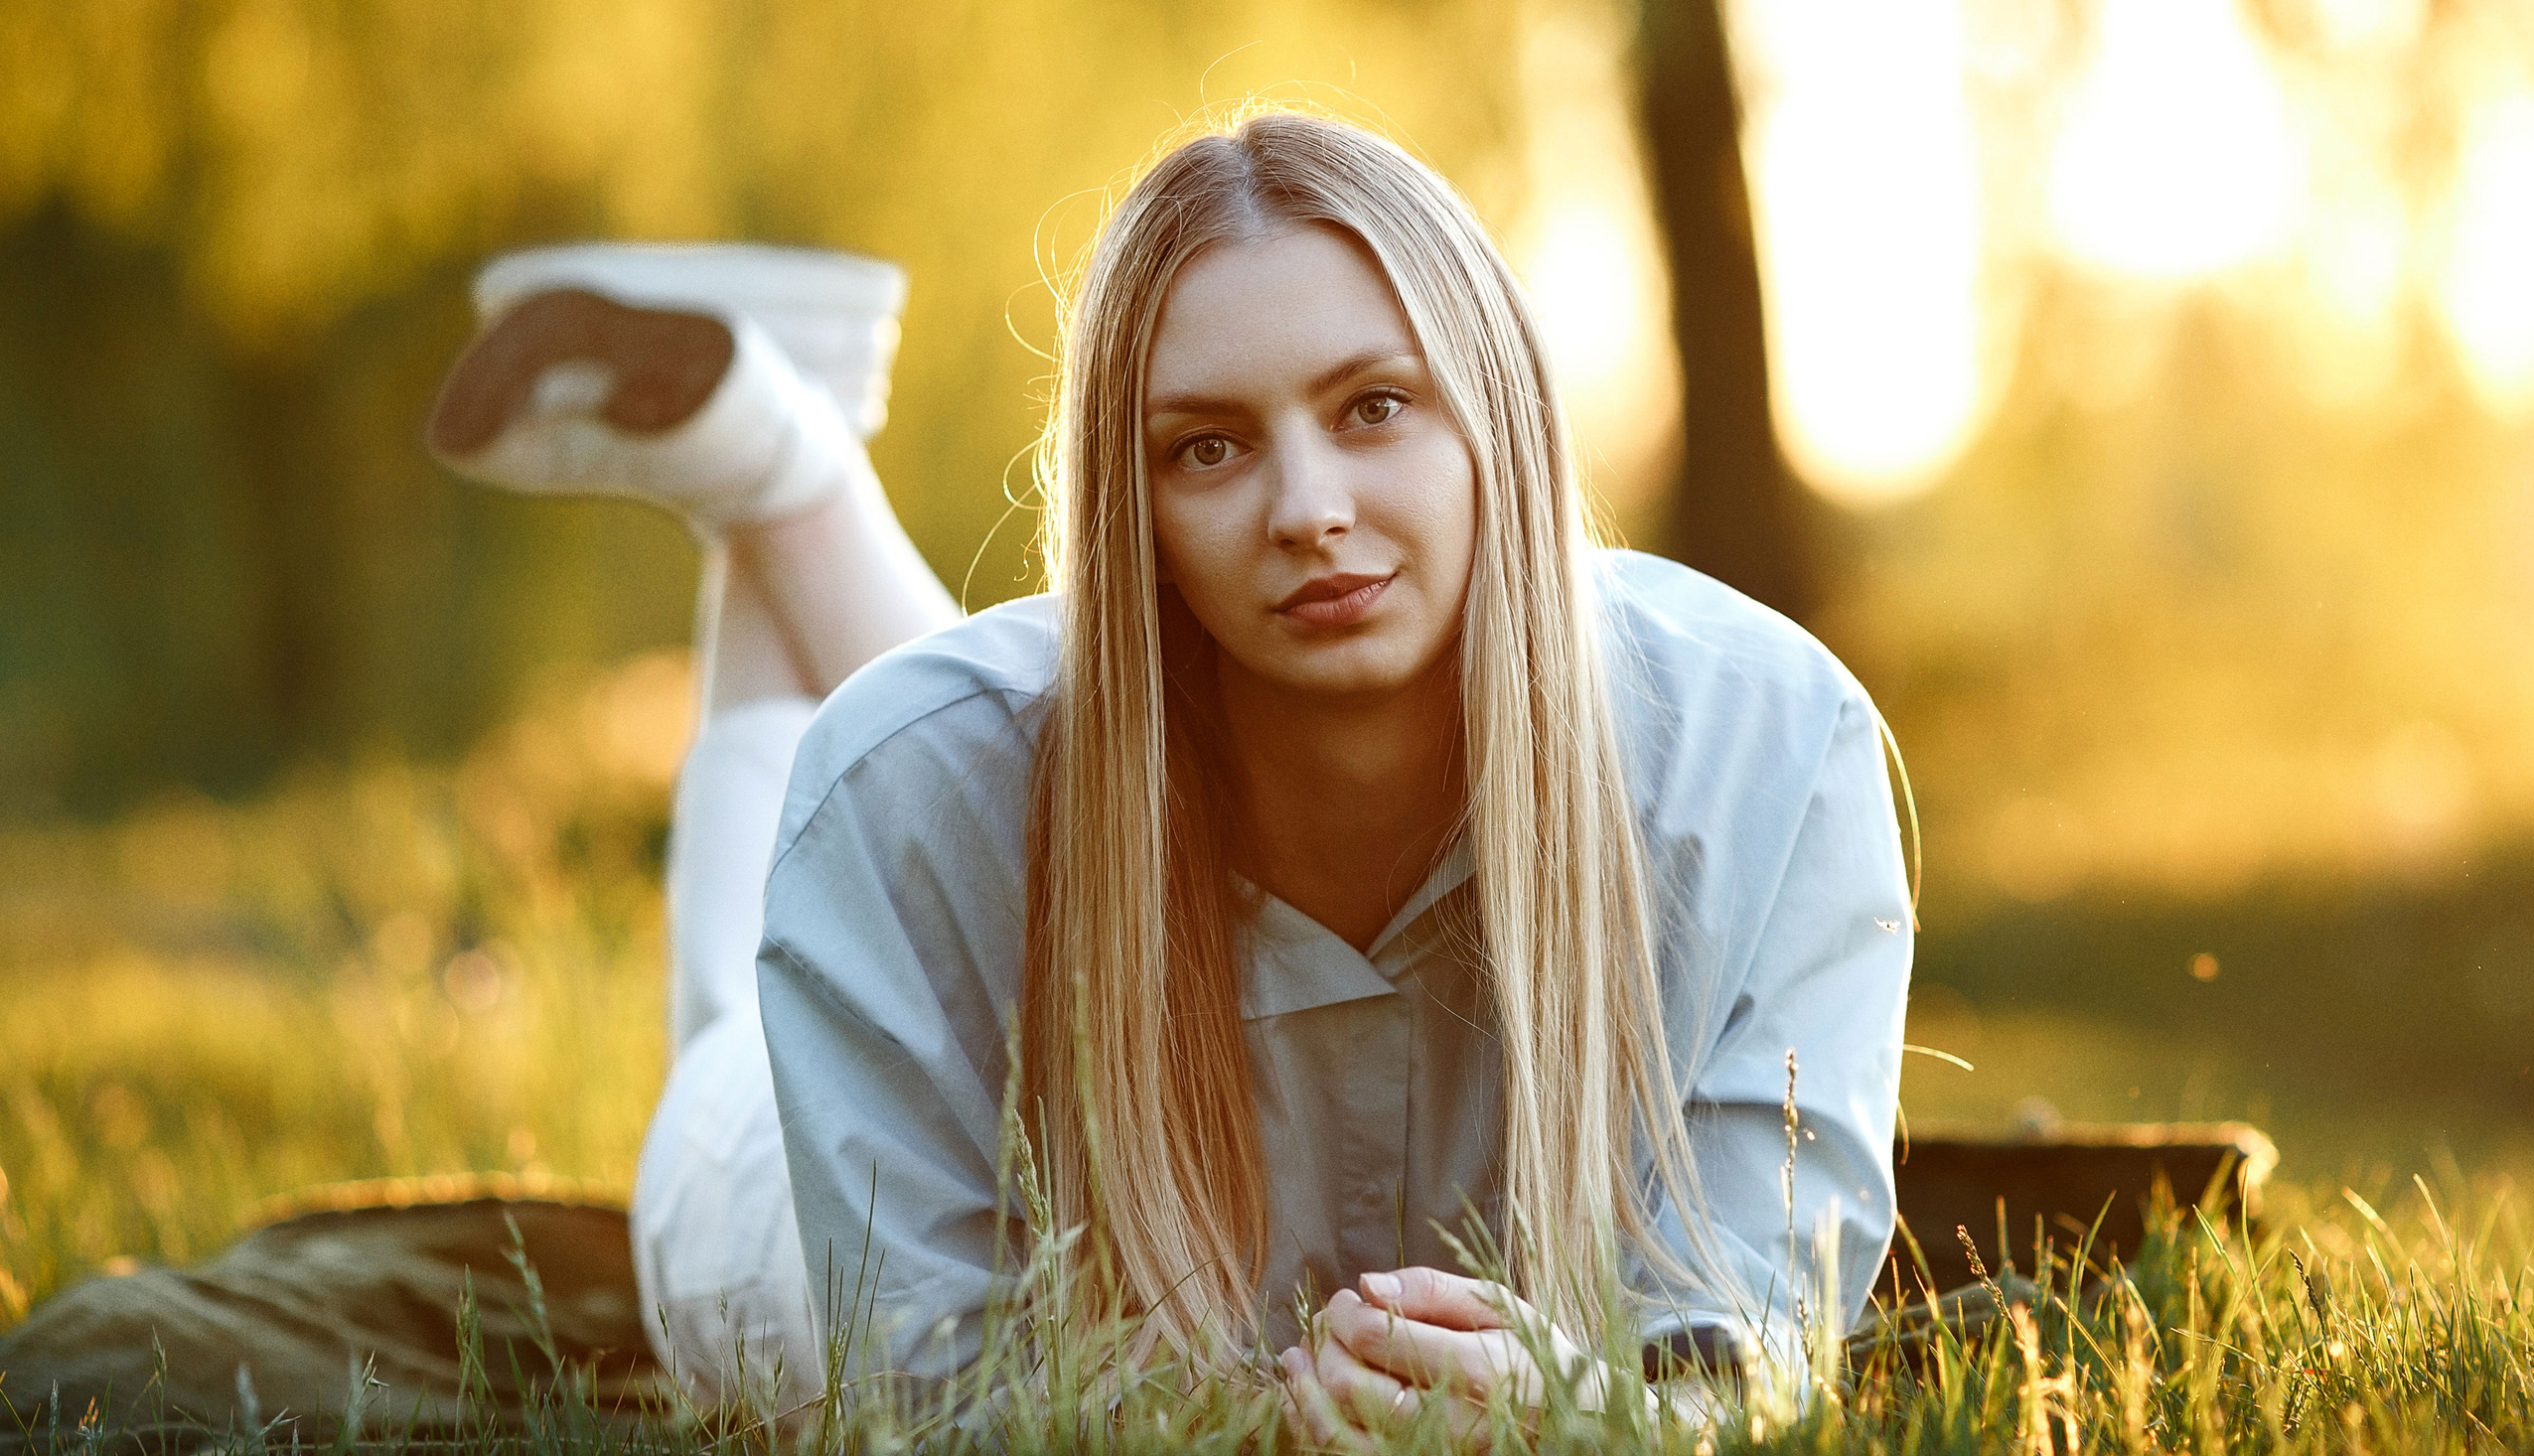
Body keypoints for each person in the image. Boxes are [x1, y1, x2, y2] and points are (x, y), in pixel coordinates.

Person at [426, 111, 1914, 1437]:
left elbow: (1751, 1343)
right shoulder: (898, 791)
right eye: (1206, 450)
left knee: (978, 740)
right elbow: (932, 1399)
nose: (1309, 510)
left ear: (1498, 420)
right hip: (770, 1206)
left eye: (1374, 407)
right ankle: (769, 463)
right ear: (1128, 506)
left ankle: (774, 445)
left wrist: (1585, 1416)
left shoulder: (1769, 753)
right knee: (730, 1009)